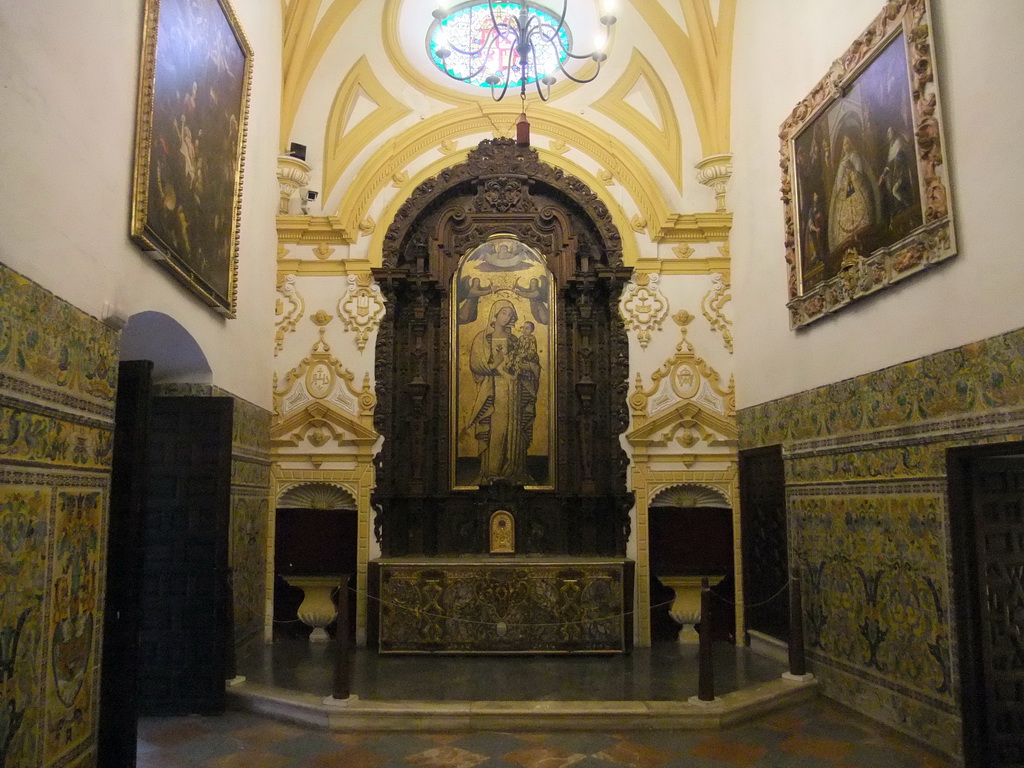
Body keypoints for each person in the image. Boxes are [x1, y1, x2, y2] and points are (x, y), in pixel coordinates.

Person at [462, 300, 539, 485]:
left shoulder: (515, 340)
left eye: (510, 314)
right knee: (497, 427)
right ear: (495, 314)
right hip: (493, 389)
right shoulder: (482, 338)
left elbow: (529, 362)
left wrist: (523, 366)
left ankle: (513, 469)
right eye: (504, 313)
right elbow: (476, 364)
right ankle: (491, 471)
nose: (507, 317)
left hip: (514, 389)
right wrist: (495, 363)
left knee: (513, 427)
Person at [827, 134, 880, 253]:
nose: (845, 146)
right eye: (844, 144)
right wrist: (843, 186)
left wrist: (851, 171)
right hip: (845, 193)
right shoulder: (842, 163)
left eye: (847, 143)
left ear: (851, 144)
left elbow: (860, 172)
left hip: (856, 189)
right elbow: (839, 183)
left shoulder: (855, 156)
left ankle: (863, 231)